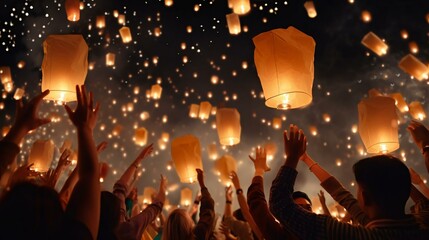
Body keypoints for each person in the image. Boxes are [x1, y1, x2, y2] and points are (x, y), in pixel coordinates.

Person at [269, 124, 429, 239]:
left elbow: (280, 204)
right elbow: (343, 195)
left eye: (359, 190)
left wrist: (292, 157)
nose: (355, 196)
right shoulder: (423, 223)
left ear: (365, 197)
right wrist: (425, 145)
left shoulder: (352, 235)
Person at [162, 168, 215, 240]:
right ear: (185, 225)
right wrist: (202, 184)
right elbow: (208, 210)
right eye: (188, 218)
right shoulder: (198, 236)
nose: (191, 219)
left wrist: (196, 201)